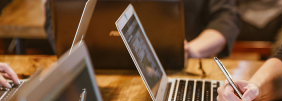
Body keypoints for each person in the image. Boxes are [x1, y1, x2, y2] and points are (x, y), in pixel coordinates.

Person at [43, 0, 240, 59]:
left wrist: (191, 49)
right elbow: (58, 18)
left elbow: (226, 17)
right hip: (96, 71)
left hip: (178, 70)